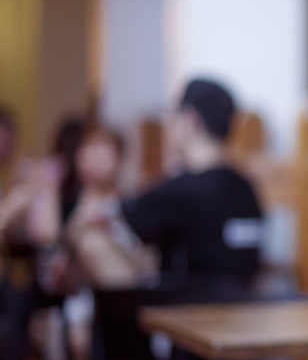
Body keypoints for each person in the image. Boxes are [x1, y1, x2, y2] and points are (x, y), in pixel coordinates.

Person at [71, 78, 263, 293]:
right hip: (245, 306)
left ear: (191, 121)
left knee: (90, 240)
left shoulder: (181, 189)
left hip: (184, 312)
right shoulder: (247, 189)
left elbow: (113, 215)